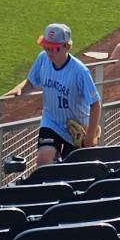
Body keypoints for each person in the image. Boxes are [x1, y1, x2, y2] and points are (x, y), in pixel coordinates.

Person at [17, 23, 100, 170]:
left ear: (67, 47)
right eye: (46, 47)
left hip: (76, 128)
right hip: (51, 121)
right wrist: (15, 91)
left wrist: (90, 136)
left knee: (71, 171)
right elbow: (30, 82)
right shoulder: (43, 59)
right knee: (43, 160)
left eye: (54, 49)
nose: (49, 52)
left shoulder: (80, 71)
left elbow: (95, 104)